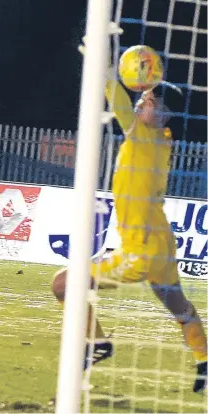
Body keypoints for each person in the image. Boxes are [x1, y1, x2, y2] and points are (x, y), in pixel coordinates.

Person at [51, 43, 207, 393]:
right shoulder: (161, 139)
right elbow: (126, 103)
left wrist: (101, 66)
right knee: (178, 304)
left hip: (140, 252)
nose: (140, 103)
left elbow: (116, 99)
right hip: (161, 244)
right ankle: (205, 360)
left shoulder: (142, 134)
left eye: (149, 102)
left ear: (163, 115)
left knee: (62, 284)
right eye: (143, 99)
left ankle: (97, 344)